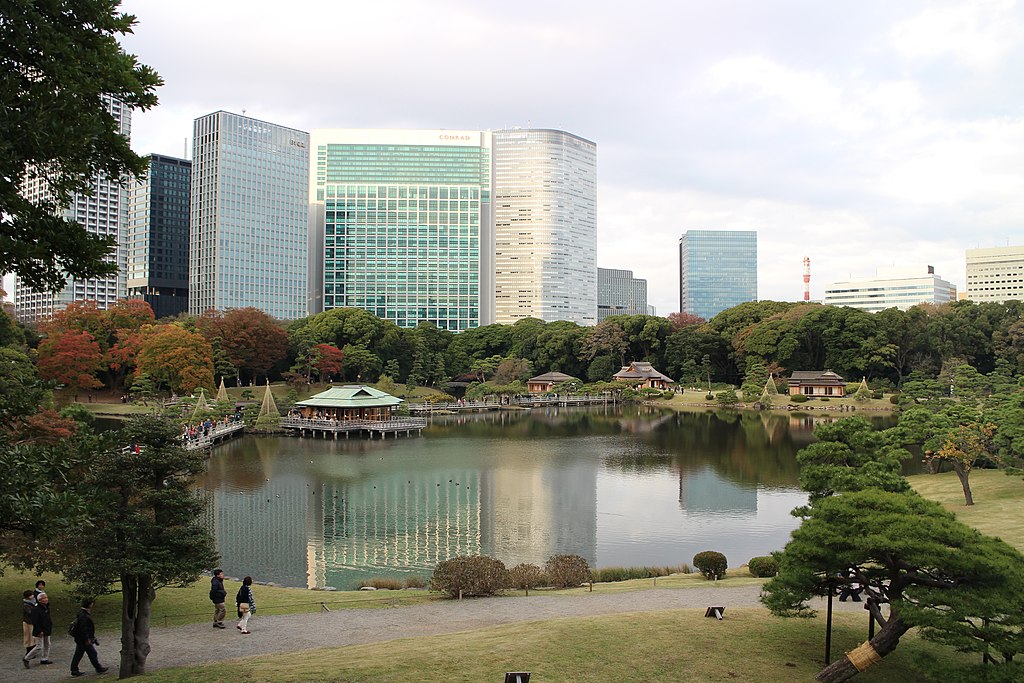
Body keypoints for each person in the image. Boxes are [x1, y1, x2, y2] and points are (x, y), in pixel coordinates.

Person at [70, 598, 108, 677]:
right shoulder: (84, 616)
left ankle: (74, 669)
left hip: (80, 638)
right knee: (92, 653)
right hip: (83, 639)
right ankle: (98, 668)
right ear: (90, 604)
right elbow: (84, 629)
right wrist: (87, 639)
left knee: (79, 653)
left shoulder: (81, 613)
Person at [23, 592, 53, 668]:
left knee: (47, 644)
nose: (46, 599)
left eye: (46, 597)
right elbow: (35, 621)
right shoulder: (36, 609)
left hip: (46, 629)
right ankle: (27, 658)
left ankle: (44, 658)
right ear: (40, 600)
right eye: (44, 598)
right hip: (39, 630)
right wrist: (39, 631)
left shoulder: (46, 607)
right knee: (39, 646)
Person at [21, 590, 36, 655]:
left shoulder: (34, 602)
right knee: (29, 637)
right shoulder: (26, 605)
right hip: (28, 622)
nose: (32, 596)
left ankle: (32, 652)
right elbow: (30, 612)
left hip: (33, 622)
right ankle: (29, 652)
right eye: (31, 595)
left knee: (33, 638)